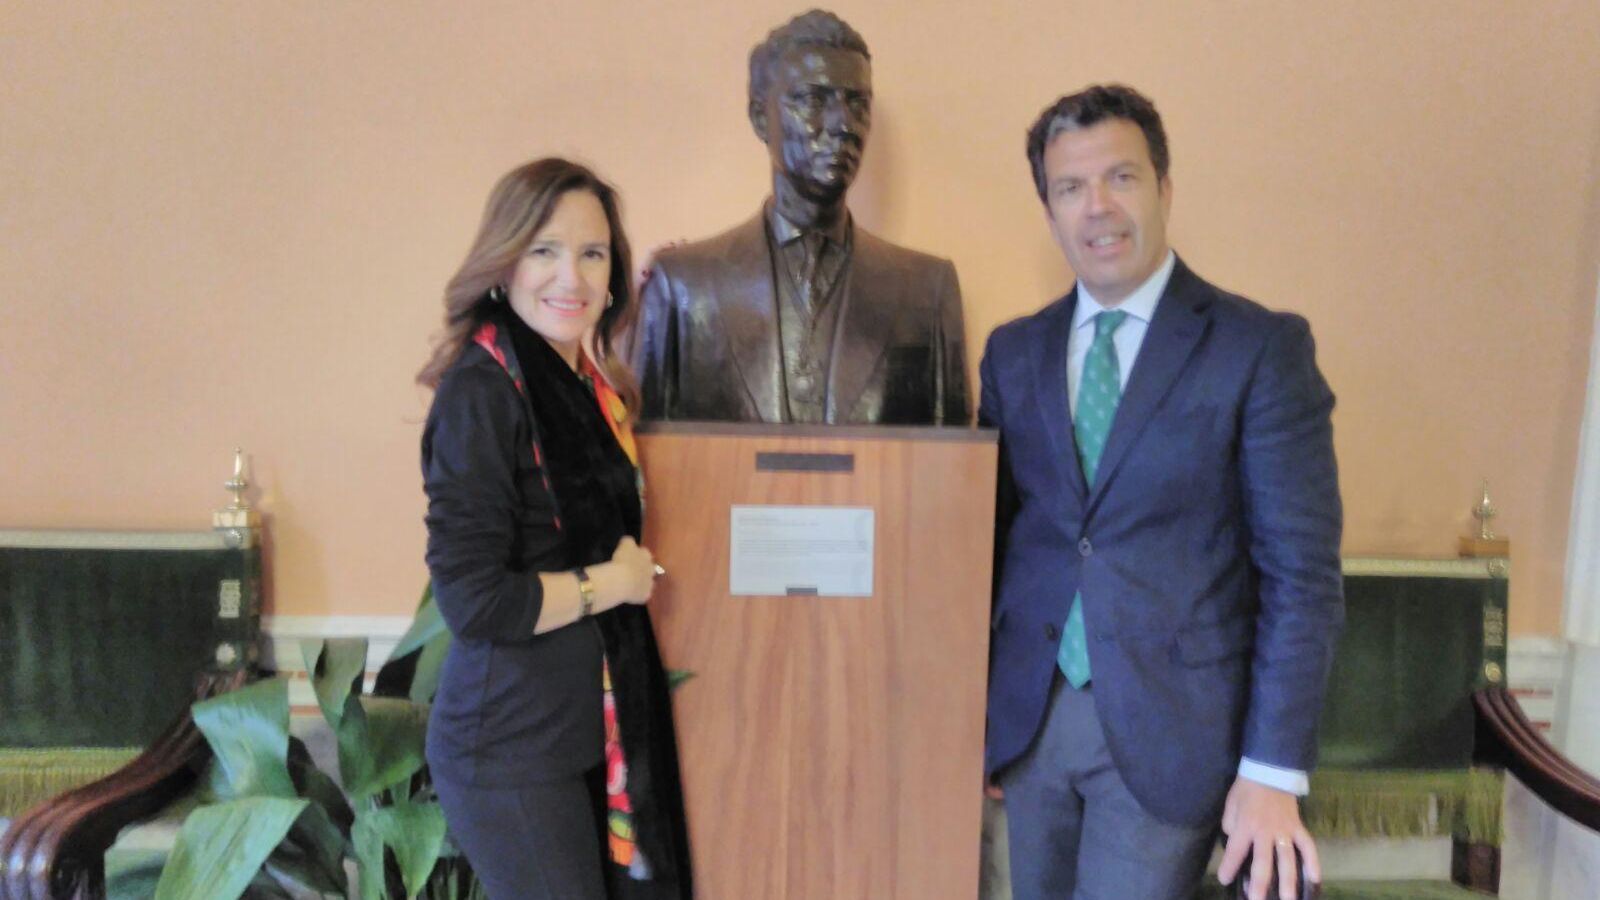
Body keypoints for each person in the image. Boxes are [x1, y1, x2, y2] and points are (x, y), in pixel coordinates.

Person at [980, 85, 1343, 900]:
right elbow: (997, 542)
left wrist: (1273, 770)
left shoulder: (1258, 349)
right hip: (1032, 728)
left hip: (1173, 738)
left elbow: (1302, 576)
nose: (1097, 208)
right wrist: (982, 723)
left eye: (1122, 178)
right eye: (1070, 188)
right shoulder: (1012, 354)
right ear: (1049, 211)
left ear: (1165, 188)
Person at [417, 158, 692, 899]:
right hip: (508, 750)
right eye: (544, 250)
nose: (569, 276)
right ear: (503, 265)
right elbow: (474, 602)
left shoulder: (584, 387)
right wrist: (615, 584)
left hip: (578, 736)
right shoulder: (482, 394)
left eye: (591, 254)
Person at [631, 9, 970, 425]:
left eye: (857, 104)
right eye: (812, 100)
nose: (844, 124)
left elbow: (954, 469)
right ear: (760, 118)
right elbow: (641, 469)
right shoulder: (683, 286)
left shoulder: (927, 291)